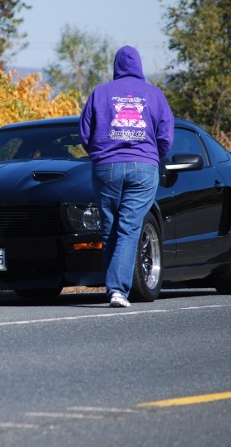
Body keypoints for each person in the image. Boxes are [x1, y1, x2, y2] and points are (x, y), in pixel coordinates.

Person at [78, 45, 174, 308]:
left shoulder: (100, 93)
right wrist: (155, 155)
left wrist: (100, 153)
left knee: (110, 227)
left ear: (116, 66)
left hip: (106, 167)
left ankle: (113, 288)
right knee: (129, 226)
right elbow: (165, 138)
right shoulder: (154, 94)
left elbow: (85, 134)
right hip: (143, 167)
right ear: (139, 66)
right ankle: (118, 290)